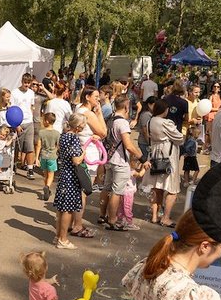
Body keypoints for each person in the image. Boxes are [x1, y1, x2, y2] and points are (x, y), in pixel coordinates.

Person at [99, 94, 144, 231]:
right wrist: (142, 158)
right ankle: (113, 221)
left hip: (108, 159)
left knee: (106, 188)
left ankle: (103, 215)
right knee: (116, 192)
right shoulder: (123, 123)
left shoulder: (109, 119)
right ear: (126, 106)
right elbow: (128, 145)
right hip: (119, 161)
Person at [69, 86, 107, 238]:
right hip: (89, 156)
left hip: (80, 153)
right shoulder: (89, 114)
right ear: (87, 97)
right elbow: (104, 132)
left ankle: (74, 222)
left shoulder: (78, 108)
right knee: (84, 191)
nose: (98, 99)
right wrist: (99, 113)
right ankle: (77, 226)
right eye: (96, 96)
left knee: (78, 190)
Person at [143, 100, 184, 228]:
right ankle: (166, 218)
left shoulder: (150, 121)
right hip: (168, 157)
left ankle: (155, 216)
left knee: (157, 187)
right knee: (172, 188)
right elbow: (179, 138)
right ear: (164, 110)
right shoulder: (167, 123)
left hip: (155, 155)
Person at [53, 113, 87, 249]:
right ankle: (63, 239)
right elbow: (76, 160)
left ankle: (58, 236)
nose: (85, 126)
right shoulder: (73, 138)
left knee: (61, 208)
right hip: (71, 177)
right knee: (67, 209)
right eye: (84, 124)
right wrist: (83, 152)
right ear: (78, 126)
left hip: (64, 174)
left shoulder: (64, 135)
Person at [10, 74, 37, 179]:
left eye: (28, 83)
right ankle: (13, 166)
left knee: (29, 147)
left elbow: (31, 106)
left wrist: (31, 118)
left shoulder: (31, 93)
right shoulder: (15, 93)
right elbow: (12, 109)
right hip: (18, 123)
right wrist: (16, 124)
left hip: (29, 122)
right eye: (25, 82)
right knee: (16, 147)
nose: (27, 84)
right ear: (22, 82)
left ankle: (30, 169)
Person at [35, 112, 60, 201]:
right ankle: (47, 186)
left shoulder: (41, 132)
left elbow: (38, 145)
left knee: (45, 174)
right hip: (52, 157)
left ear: (47, 121)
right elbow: (58, 146)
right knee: (51, 174)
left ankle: (47, 189)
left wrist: (36, 158)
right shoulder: (57, 133)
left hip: (43, 156)